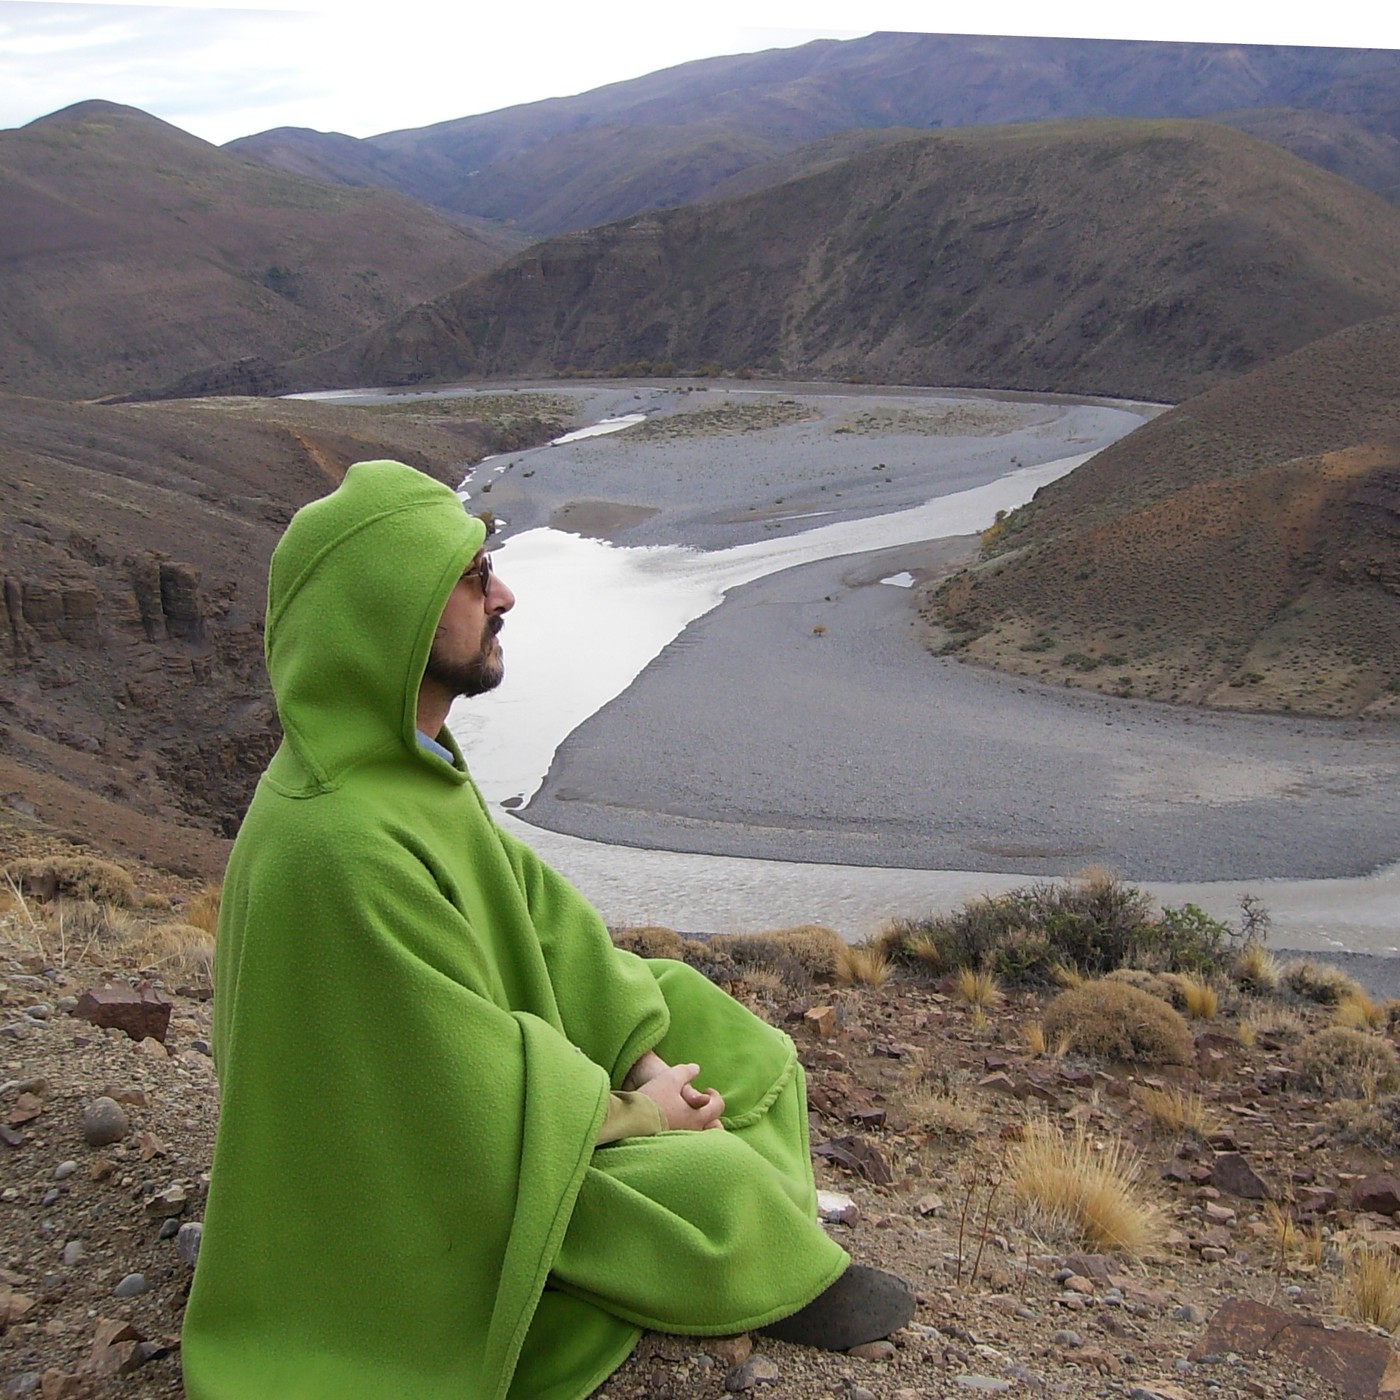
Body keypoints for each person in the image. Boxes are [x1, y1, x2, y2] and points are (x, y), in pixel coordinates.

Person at [181, 459, 912, 1399]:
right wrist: (642, 1116)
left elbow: (542, 919)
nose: (507, 595)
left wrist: (642, 1056)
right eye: (475, 576)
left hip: (488, 1094)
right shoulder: (339, 845)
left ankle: (752, 1227)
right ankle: (760, 1261)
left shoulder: (407, 766)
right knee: (708, 1190)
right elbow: (455, 1094)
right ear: (389, 608)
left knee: (727, 1034)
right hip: (406, 1182)